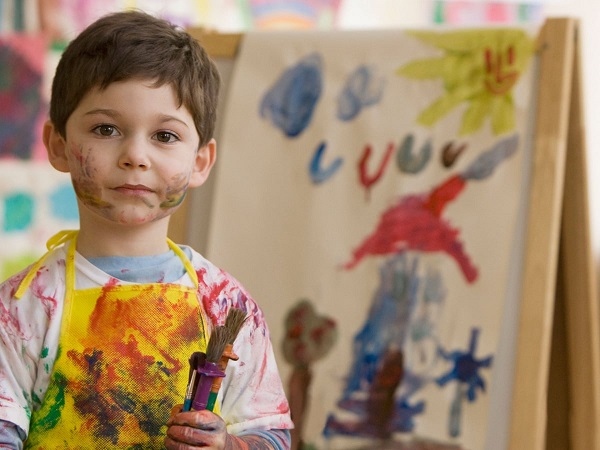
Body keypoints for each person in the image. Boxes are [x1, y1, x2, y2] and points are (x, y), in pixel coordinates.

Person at [0, 9, 293, 449]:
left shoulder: (226, 305)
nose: (135, 155)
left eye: (165, 136)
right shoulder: (22, 309)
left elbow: (272, 438)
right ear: (58, 146)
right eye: (106, 129)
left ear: (200, 162)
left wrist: (227, 445)